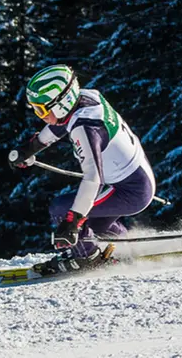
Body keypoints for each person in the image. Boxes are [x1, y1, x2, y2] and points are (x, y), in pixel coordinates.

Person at [8, 64, 156, 275]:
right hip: (135, 178)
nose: (39, 115)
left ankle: (87, 258)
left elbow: (92, 178)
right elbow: (60, 123)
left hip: (131, 190)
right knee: (90, 225)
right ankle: (125, 247)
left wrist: (72, 221)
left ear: (60, 104)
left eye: (41, 109)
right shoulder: (86, 98)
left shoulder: (85, 129)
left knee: (61, 209)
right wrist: (32, 147)